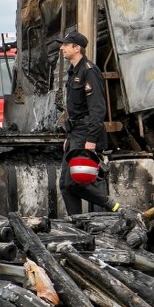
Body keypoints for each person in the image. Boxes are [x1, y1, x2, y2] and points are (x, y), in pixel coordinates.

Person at [57, 31, 121, 215]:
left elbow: (98, 109)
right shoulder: (73, 72)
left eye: (66, 44)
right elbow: (75, 110)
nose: (62, 48)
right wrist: (69, 137)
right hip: (75, 133)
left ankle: (111, 206)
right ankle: (77, 226)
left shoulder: (89, 71)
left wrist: (91, 139)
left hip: (86, 132)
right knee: (65, 185)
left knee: (74, 182)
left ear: (77, 48)